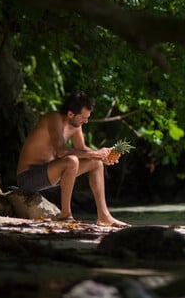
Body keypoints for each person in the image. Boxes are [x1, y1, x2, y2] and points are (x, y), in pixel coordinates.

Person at [17, 91, 127, 227]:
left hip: (50, 173)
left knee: (96, 163)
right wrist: (96, 153)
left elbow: (82, 149)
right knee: (72, 161)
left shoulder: (76, 126)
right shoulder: (53, 118)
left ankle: (104, 216)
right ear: (70, 114)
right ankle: (65, 215)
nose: (86, 121)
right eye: (83, 117)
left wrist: (102, 156)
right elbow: (62, 150)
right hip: (28, 178)